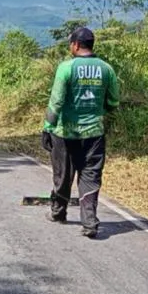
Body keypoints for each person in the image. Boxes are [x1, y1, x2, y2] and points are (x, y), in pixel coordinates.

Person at [42, 25, 120, 239]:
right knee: (90, 175)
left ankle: (58, 212)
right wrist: (99, 109)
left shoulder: (66, 68)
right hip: (94, 134)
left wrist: (47, 128)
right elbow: (113, 101)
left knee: (63, 175)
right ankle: (89, 222)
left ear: (75, 45)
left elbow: (56, 102)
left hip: (65, 133)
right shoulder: (106, 69)